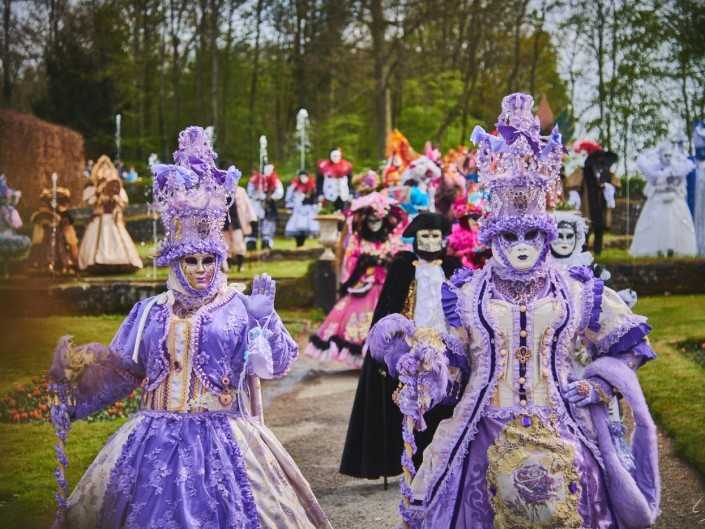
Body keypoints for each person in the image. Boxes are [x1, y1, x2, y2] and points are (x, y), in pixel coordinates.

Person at [370, 94, 660, 528]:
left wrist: (598, 387)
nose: (521, 244)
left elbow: (630, 346)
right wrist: (421, 370)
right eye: (510, 234)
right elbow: (454, 371)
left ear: (546, 234)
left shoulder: (577, 290)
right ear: (493, 235)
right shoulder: (466, 293)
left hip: (565, 428)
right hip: (482, 430)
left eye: (531, 233)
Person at [47, 126, 331, 529]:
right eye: (190, 261)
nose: (200, 270)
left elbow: (277, 363)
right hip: (152, 441)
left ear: (219, 261)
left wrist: (264, 316)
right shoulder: (150, 311)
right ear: (175, 263)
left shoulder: (239, 305)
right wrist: (73, 393)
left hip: (225, 440)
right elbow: (121, 371)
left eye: (207, 260)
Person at [340, 212, 463, 480]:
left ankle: (441, 461)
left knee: (444, 405)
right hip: (410, 349)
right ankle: (410, 462)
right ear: (415, 239)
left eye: (435, 236)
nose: (430, 241)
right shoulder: (403, 267)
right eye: (425, 236)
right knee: (410, 406)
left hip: (447, 348)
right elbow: (389, 307)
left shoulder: (453, 267)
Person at [304, 191, 408, 368]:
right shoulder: (357, 240)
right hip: (363, 287)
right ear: (364, 220)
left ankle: (383, 357)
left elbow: (402, 257)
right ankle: (363, 357)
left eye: (378, 220)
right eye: (371, 220)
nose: (374, 224)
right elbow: (349, 261)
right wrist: (364, 261)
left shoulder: (391, 240)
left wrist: (390, 261)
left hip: (386, 287)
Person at [629, 142, 697, 257]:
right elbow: (650, 189)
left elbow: (681, 187)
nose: (668, 158)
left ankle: (672, 248)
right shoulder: (655, 172)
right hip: (658, 201)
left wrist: (673, 185)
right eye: (666, 155)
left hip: (674, 201)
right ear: (661, 156)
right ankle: (658, 248)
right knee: (657, 224)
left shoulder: (677, 170)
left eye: (670, 155)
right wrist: (661, 185)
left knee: (674, 224)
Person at [77, 155, 143, 273]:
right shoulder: (93, 189)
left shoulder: (116, 189)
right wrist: (98, 193)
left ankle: (118, 264)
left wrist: (115, 198)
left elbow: (123, 202)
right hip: (98, 219)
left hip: (113, 219)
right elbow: (89, 202)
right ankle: (96, 264)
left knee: (117, 241)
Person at [565, 145, 620, 255]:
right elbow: (573, 185)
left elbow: (616, 186)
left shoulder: (607, 174)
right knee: (586, 230)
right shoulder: (584, 172)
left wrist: (608, 187)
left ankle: (597, 252)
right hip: (587, 207)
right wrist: (574, 196)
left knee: (599, 230)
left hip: (601, 208)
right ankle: (582, 252)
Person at [28, 187, 79, 274]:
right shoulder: (47, 212)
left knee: (61, 248)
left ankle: (64, 264)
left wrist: (63, 221)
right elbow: (41, 223)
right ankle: (48, 264)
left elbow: (69, 222)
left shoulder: (64, 213)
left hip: (61, 236)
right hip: (48, 236)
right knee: (48, 248)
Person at [246, 163, 284, 250]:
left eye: (271, 169)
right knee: (254, 223)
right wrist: (257, 195)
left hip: (268, 206)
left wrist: (270, 198)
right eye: (267, 169)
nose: (269, 171)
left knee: (268, 223)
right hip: (256, 204)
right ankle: (252, 241)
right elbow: (250, 191)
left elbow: (279, 192)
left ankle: (266, 242)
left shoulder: (275, 180)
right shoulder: (255, 179)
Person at [0, 175, 32, 272]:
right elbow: (16, 225)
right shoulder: (9, 210)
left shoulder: (10, 210)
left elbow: (16, 225)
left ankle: (6, 270)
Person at [224, 181, 257, 272]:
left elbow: (248, 205)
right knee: (225, 245)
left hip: (237, 221)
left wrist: (252, 219)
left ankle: (240, 265)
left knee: (238, 243)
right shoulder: (221, 191)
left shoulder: (241, 191)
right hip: (224, 221)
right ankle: (229, 266)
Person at [285, 171, 319, 247]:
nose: (303, 179)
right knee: (297, 228)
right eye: (301, 177)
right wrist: (290, 207)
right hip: (297, 210)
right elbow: (289, 198)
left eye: (304, 177)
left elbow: (315, 199)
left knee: (306, 228)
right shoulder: (294, 187)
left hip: (308, 211)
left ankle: (302, 243)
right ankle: (298, 243)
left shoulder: (312, 187)